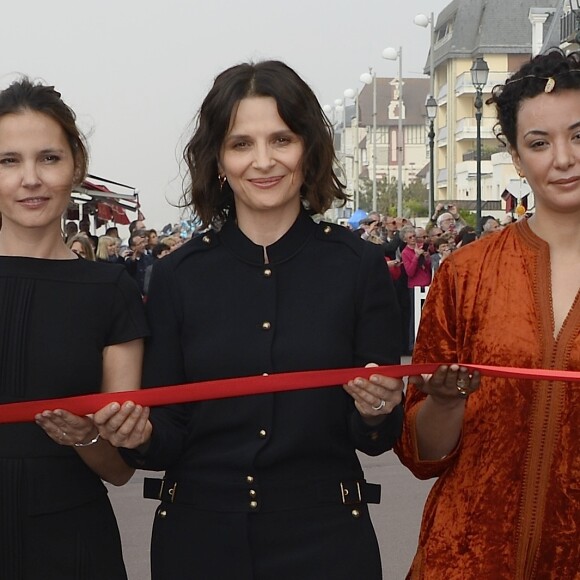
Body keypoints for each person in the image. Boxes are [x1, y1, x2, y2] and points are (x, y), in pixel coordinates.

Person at [95, 60, 404, 580]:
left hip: (325, 538)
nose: (263, 162)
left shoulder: (360, 267)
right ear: (218, 158)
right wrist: (137, 434)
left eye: (281, 140)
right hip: (198, 538)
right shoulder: (177, 276)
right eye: (241, 144)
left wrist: (377, 411)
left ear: (308, 150)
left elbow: (376, 437)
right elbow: (167, 435)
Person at [394, 48, 580, 578]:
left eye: (579, 135)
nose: (563, 158)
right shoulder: (466, 273)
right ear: (518, 160)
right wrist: (446, 403)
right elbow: (420, 453)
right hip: (467, 557)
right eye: (539, 143)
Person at [0, 78, 148, 579]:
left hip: (72, 541)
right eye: (8, 161)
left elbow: (121, 468)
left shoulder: (111, 289)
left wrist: (87, 437)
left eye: (48, 158)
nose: (30, 179)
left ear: (76, 166)